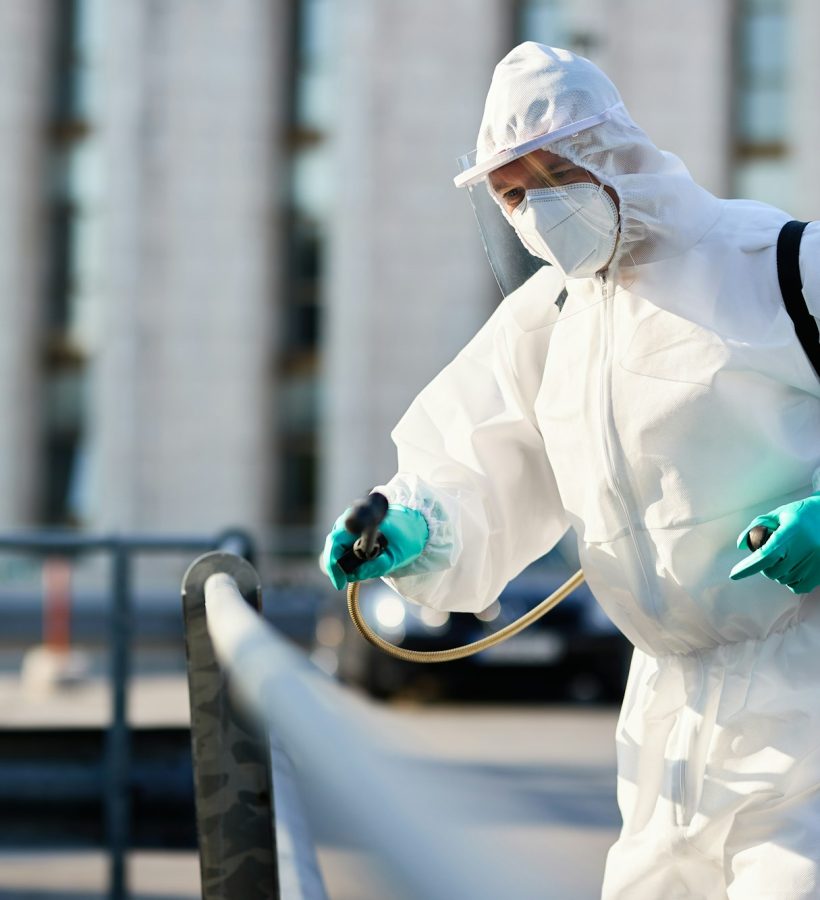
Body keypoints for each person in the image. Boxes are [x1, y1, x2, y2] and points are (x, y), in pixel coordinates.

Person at [321, 42, 820, 898]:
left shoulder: (780, 265)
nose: (533, 212)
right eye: (511, 195)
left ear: (610, 155)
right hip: (668, 715)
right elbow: (477, 455)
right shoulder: (551, 318)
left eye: (548, 180)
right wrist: (408, 524)